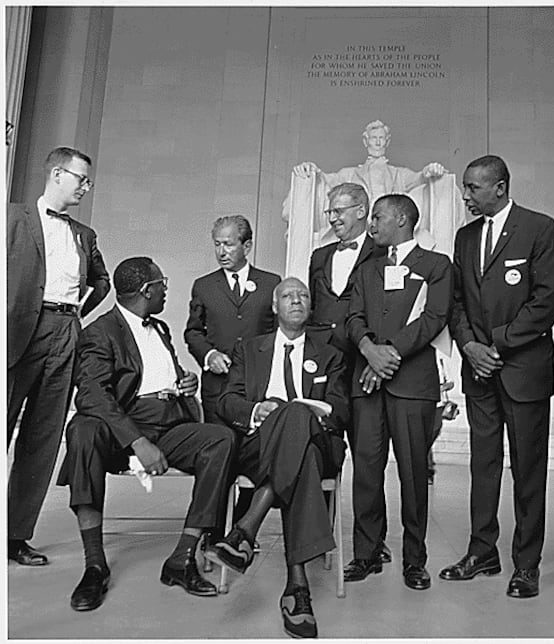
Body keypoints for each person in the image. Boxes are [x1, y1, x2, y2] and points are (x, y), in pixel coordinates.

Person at [57, 257, 235, 611]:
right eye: (161, 283)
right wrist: (138, 442)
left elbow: (149, 372)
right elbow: (91, 392)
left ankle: (182, 558)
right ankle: (94, 565)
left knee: (221, 439)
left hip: (169, 420)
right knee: (83, 430)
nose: (165, 289)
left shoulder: (161, 328)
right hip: (125, 425)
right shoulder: (100, 331)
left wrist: (183, 381)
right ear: (146, 290)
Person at [440, 155, 554, 599]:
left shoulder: (539, 228)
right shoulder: (465, 237)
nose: (466, 195)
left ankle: (526, 565)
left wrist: (495, 342)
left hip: (523, 372)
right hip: (479, 371)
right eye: (465, 187)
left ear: (500, 187)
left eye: (473, 188)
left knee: (528, 471)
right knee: (484, 465)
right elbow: (455, 301)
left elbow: (547, 301)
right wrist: (470, 347)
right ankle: (482, 552)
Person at [207, 277, 348, 639]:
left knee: (298, 415)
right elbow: (227, 401)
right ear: (275, 307)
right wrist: (257, 410)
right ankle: (296, 588)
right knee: (304, 460)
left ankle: (245, 529)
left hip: (319, 440)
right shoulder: (249, 349)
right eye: (288, 295)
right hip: (261, 446)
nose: (296, 300)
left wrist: (300, 413)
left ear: (311, 306)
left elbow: (342, 411)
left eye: (303, 295)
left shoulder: (330, 354)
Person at [7, 146, 110, 566]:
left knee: (42, 438)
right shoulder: (12, 218)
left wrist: (74, 315)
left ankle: (14, 535)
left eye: (88, 181)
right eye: (80, 179)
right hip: (16, 333)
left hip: (66, 331)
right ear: (56, 174)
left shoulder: (84, 234)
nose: (86, 187)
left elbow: (101, 281)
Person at [344, 194, 453, 590]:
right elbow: (353, 316)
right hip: (366, 383)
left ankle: (414, 560)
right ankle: (366, 554)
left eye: (378, 216)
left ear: (402, 219)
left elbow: (435, 317)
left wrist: (389, 355)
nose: (371, 223)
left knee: (412, 473)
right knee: (367, 473)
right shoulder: (367, 268)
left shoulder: (436, 266)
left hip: (412, 385)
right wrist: (370, 352)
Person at [307, 182, 391, 563]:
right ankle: (315, 535)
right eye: (329, 212)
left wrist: (376, 356)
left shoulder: (384, 251)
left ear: (362, 210)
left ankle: (371, 544)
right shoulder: (319, 255)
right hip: (324, 369)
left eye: (338, 211)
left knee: (368, 457)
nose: (333, 218)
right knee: (319, 448)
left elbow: (392, 309)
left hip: (364, 368)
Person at [285, 119, 448, 246]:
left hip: (390, 230)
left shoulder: (399, 174)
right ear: (366, 141)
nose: (378, 143)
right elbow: (325, 180)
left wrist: (430, 171)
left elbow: (420, 178)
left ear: (387, 141)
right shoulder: (348, 174)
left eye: (381, 138)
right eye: (374, 138)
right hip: (357, 230)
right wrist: (312, 170)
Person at [184, 215, 281, 423]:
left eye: (228, 244)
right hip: (217, 388)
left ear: (247, 246)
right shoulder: (204, 286)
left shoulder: (271, 283)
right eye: (217, 244)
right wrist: (209, 355)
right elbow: (193, 332)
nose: (221, 252)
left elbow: (278, 333)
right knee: (218, 446)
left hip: (258, 386)